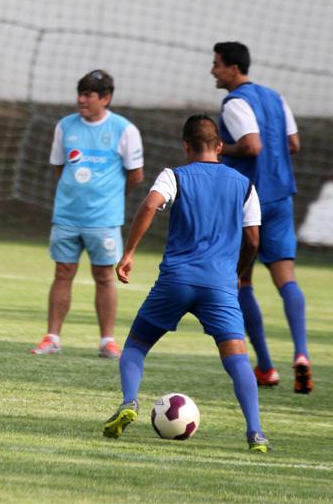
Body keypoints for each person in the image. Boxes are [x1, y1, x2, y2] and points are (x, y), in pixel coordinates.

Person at [101, 115, 270, 452]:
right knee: (236, 358)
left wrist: (129, 252)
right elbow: (253, 239)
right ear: (220, 147)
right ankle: (255, 432)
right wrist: (237, 272)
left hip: (177, 280)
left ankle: (129, 402)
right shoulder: (243, 184)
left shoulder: (175, 175)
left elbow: (150, 204)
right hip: (220, 286)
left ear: (186, 146)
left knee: (136, 346)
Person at [211, 41, 311, 393]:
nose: (213, 71)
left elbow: (252, 146)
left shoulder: (236, 101)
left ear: (233, 69)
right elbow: (294, 144)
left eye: (217, 64)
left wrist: (222, 149)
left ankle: (266, 366)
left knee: (241, 282)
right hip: (282, 197)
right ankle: (301, 353)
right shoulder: (275, 97)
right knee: (287, 279)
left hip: (250, 200)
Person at [31, 70, 144, 359]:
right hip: (67, 217)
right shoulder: (65, 126)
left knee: (105, 277)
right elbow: (59, 167)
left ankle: (107, 341)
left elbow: (136, 176)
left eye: (89, 95)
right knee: (63, 272)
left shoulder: (125, 129)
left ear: (105, 98)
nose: (82, 100)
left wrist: (109, 197)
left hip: (104, 220)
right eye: (80, 93)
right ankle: (52, 337)